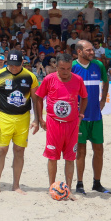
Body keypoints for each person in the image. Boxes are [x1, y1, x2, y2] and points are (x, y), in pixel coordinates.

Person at [0, 49, 40, 195]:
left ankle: (16, 185)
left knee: (19, 150)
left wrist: (37, 119)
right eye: (10, 64)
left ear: (23, 62)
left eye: (16, 65)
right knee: (1, 150)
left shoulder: (30, 77)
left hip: (23, 117)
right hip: (4, 117)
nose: (13, 67)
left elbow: (36, 100)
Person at [36, 53, 87, 200]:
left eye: (68, 68)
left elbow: (84, 97)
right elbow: (39, 98)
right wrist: (40, 118)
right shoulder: (49, 79)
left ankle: (68, 189)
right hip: (53, 124)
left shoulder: (78, 80)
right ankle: (52, 187)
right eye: (62, 68)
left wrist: (81, 115)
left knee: (70, 157)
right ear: (56, 66)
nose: (65, 71)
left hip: (72, 125)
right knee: (52, 157)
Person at [72, 40, 111, 195]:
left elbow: (106, 82)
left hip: (96, 115)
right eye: (88, 50)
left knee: (99, 149)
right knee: (80, 150)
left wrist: (103, 100)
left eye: (92, 49)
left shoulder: (99, 65)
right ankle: (80, 184)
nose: (92, 52)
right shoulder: (73, 66)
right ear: (79, 51)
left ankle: (97, 183)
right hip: (80, 116)